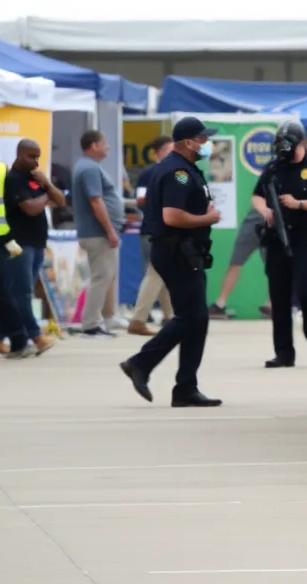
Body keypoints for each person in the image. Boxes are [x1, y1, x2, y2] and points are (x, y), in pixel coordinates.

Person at [118, 117, 222, 407]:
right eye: (202, 139)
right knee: (191, 317)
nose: (206, 144)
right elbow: (171, 216)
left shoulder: (185, 169)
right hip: (177, 251)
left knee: (197, 318)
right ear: (188, 142)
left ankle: (186, 387)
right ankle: (141, 362)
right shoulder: (178, 172)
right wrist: (207, 218)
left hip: (184, 250)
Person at [252, 121, 307, 368]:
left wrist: (299, 204)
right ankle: (283, 352)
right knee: (279, 299)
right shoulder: (274, 168)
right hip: (277, 241)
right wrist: (265, 209)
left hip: (306, 241)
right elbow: (257, 195)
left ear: (300, 143)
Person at [0, 141, 62, 356]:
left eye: (38, 156)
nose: (36, 161)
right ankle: (34, 335)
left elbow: (60, 200)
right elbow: (30, 208)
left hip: (36, 241)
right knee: (20, 293)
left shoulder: (36, 177)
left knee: (15, 294)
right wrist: (46, 197)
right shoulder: (12, 178)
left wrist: (47, 185)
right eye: (31, 156)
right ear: (19, 155)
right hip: (18, 243)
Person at [72, 130, 127, 336]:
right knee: (101, 277)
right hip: (98, 233)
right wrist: (110, 230)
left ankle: (108, 317)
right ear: (94, 145)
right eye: (105, 143)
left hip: (99, 232)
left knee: (107, 276)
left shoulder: (89, 167)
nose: (108, 147)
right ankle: (91, 324)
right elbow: (96, 201)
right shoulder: (89, 169)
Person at [129, 135, 175, 335]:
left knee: (164, 274)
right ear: (160, 152)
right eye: (170, 149)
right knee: (156, 272)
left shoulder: (174, 172)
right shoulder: (150, 173)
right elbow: (140, 200)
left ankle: (170, 316)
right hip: (156, 229)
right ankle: (138, 319)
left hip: (162, 228)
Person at [207, 208, 271, 318]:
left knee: (276, 266)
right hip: (255, 220)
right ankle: (220, 304)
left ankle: (271, 305)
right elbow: (257, 197)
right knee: (236, 261)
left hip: (277, 222)